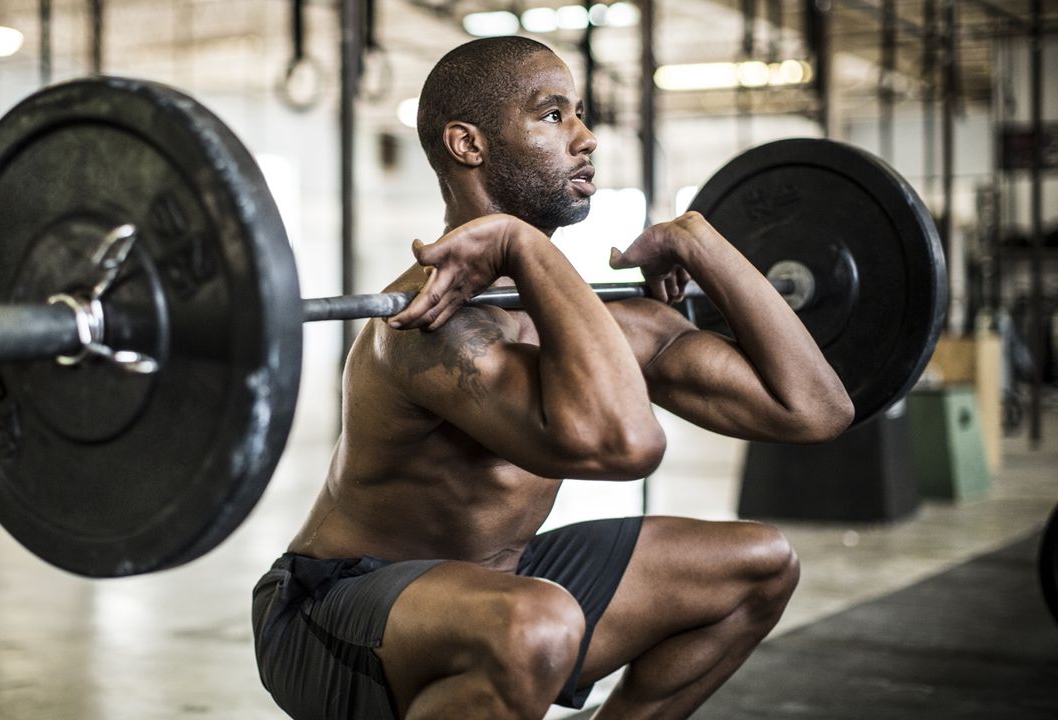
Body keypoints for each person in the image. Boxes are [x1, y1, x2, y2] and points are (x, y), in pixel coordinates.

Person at [252, 36, 853, 720]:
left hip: (495, 585)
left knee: (759, 564)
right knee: (536, 625)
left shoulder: (605, 322)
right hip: (333, 613)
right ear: (468, 144)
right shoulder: (431, 325)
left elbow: (815, 409)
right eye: (552, 115)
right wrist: (519, 241)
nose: (586, 137)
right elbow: (626, 446)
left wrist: (700, 241)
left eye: (580, 114)